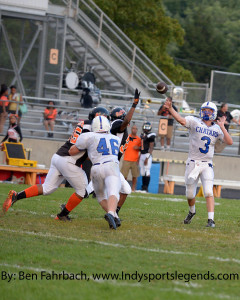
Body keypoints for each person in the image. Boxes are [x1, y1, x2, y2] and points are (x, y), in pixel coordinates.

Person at [164, 99, 233, 228]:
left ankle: (211, 220)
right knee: (190, 194)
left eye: (209, 110)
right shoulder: (195, 122)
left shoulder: (217, 128)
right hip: (193, 163)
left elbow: (230, 142)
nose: (206, 112)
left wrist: (223, 127)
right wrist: (171, 109)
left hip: (207, 164)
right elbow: (181, 120)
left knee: (208, 191)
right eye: (204, 110)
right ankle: (192, 211)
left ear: (213, 113)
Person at [69, 116, 121, 230]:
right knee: (113, 192)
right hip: (111, 166)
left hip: (96, 168)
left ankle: (115, 216)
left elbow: (72, 151)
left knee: (100, 195)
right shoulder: (116, 139)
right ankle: (112, 213)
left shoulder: (88, 136)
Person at [121, 124, 141, 192]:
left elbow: (142, 148)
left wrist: (138, 147)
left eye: (135, 129)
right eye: (133, 128)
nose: (134, 130)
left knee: (135, 175)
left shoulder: (138, 139)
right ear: (131, 129)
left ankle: (133, 188)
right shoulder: (127, 137)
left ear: (137, 130)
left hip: (135, 160)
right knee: (124, 175)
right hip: (126, 159)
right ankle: (124, 187)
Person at [139, 122, 156, 192]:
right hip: (142, 154)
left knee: (147, 171)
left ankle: (146, 188)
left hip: (147, 155)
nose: (146, 129)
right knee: (142, 171)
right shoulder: (143, 135)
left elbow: (151, 147)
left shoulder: (151, 135)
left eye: (147, 127)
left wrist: (147, 157)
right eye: (145, 127)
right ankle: (143, 187)